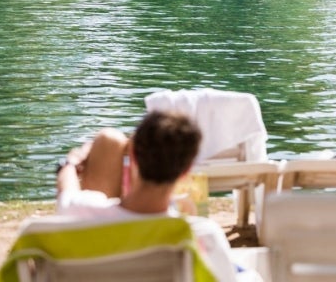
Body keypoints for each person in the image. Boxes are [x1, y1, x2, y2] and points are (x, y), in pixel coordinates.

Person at [55, 111, 253, 282]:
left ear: (132, 155)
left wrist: (70, 164)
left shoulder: (82, 212)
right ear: (186, 171)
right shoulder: (200, 235)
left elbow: (67, 189)